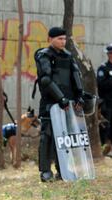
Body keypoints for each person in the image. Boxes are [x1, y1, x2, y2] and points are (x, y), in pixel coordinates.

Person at [34, 27, 84, 182]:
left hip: (68, 104)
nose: (63, 42)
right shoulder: (44, 55)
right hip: (51, 103)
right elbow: (46, 80)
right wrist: (60, 98)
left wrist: (79, 96)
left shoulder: (68, 56)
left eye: (64, 39)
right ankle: (45, 171)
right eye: (59, 39)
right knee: (47, 136)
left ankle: (63, 170)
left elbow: (76, 76)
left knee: (64, 138)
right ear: (50, 39)